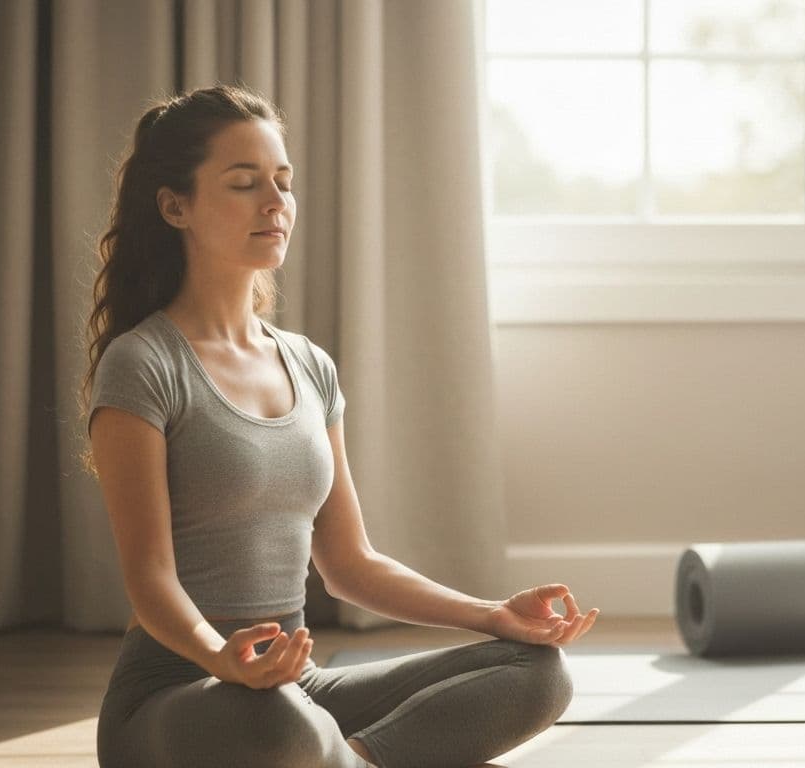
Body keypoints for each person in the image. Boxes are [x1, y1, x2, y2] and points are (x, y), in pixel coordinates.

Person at [81, 84, 598, 768]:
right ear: (176, 207)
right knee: (281, 726)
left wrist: (491, 614)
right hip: (182, 693)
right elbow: (149, 578)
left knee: (538, 673)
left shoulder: (309, 365)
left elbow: (351, 565)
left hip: (296, 686)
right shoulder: (143, 365)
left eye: (283, 182)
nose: (276, 203)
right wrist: (221, 657)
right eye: (244, 184)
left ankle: (343, 761)